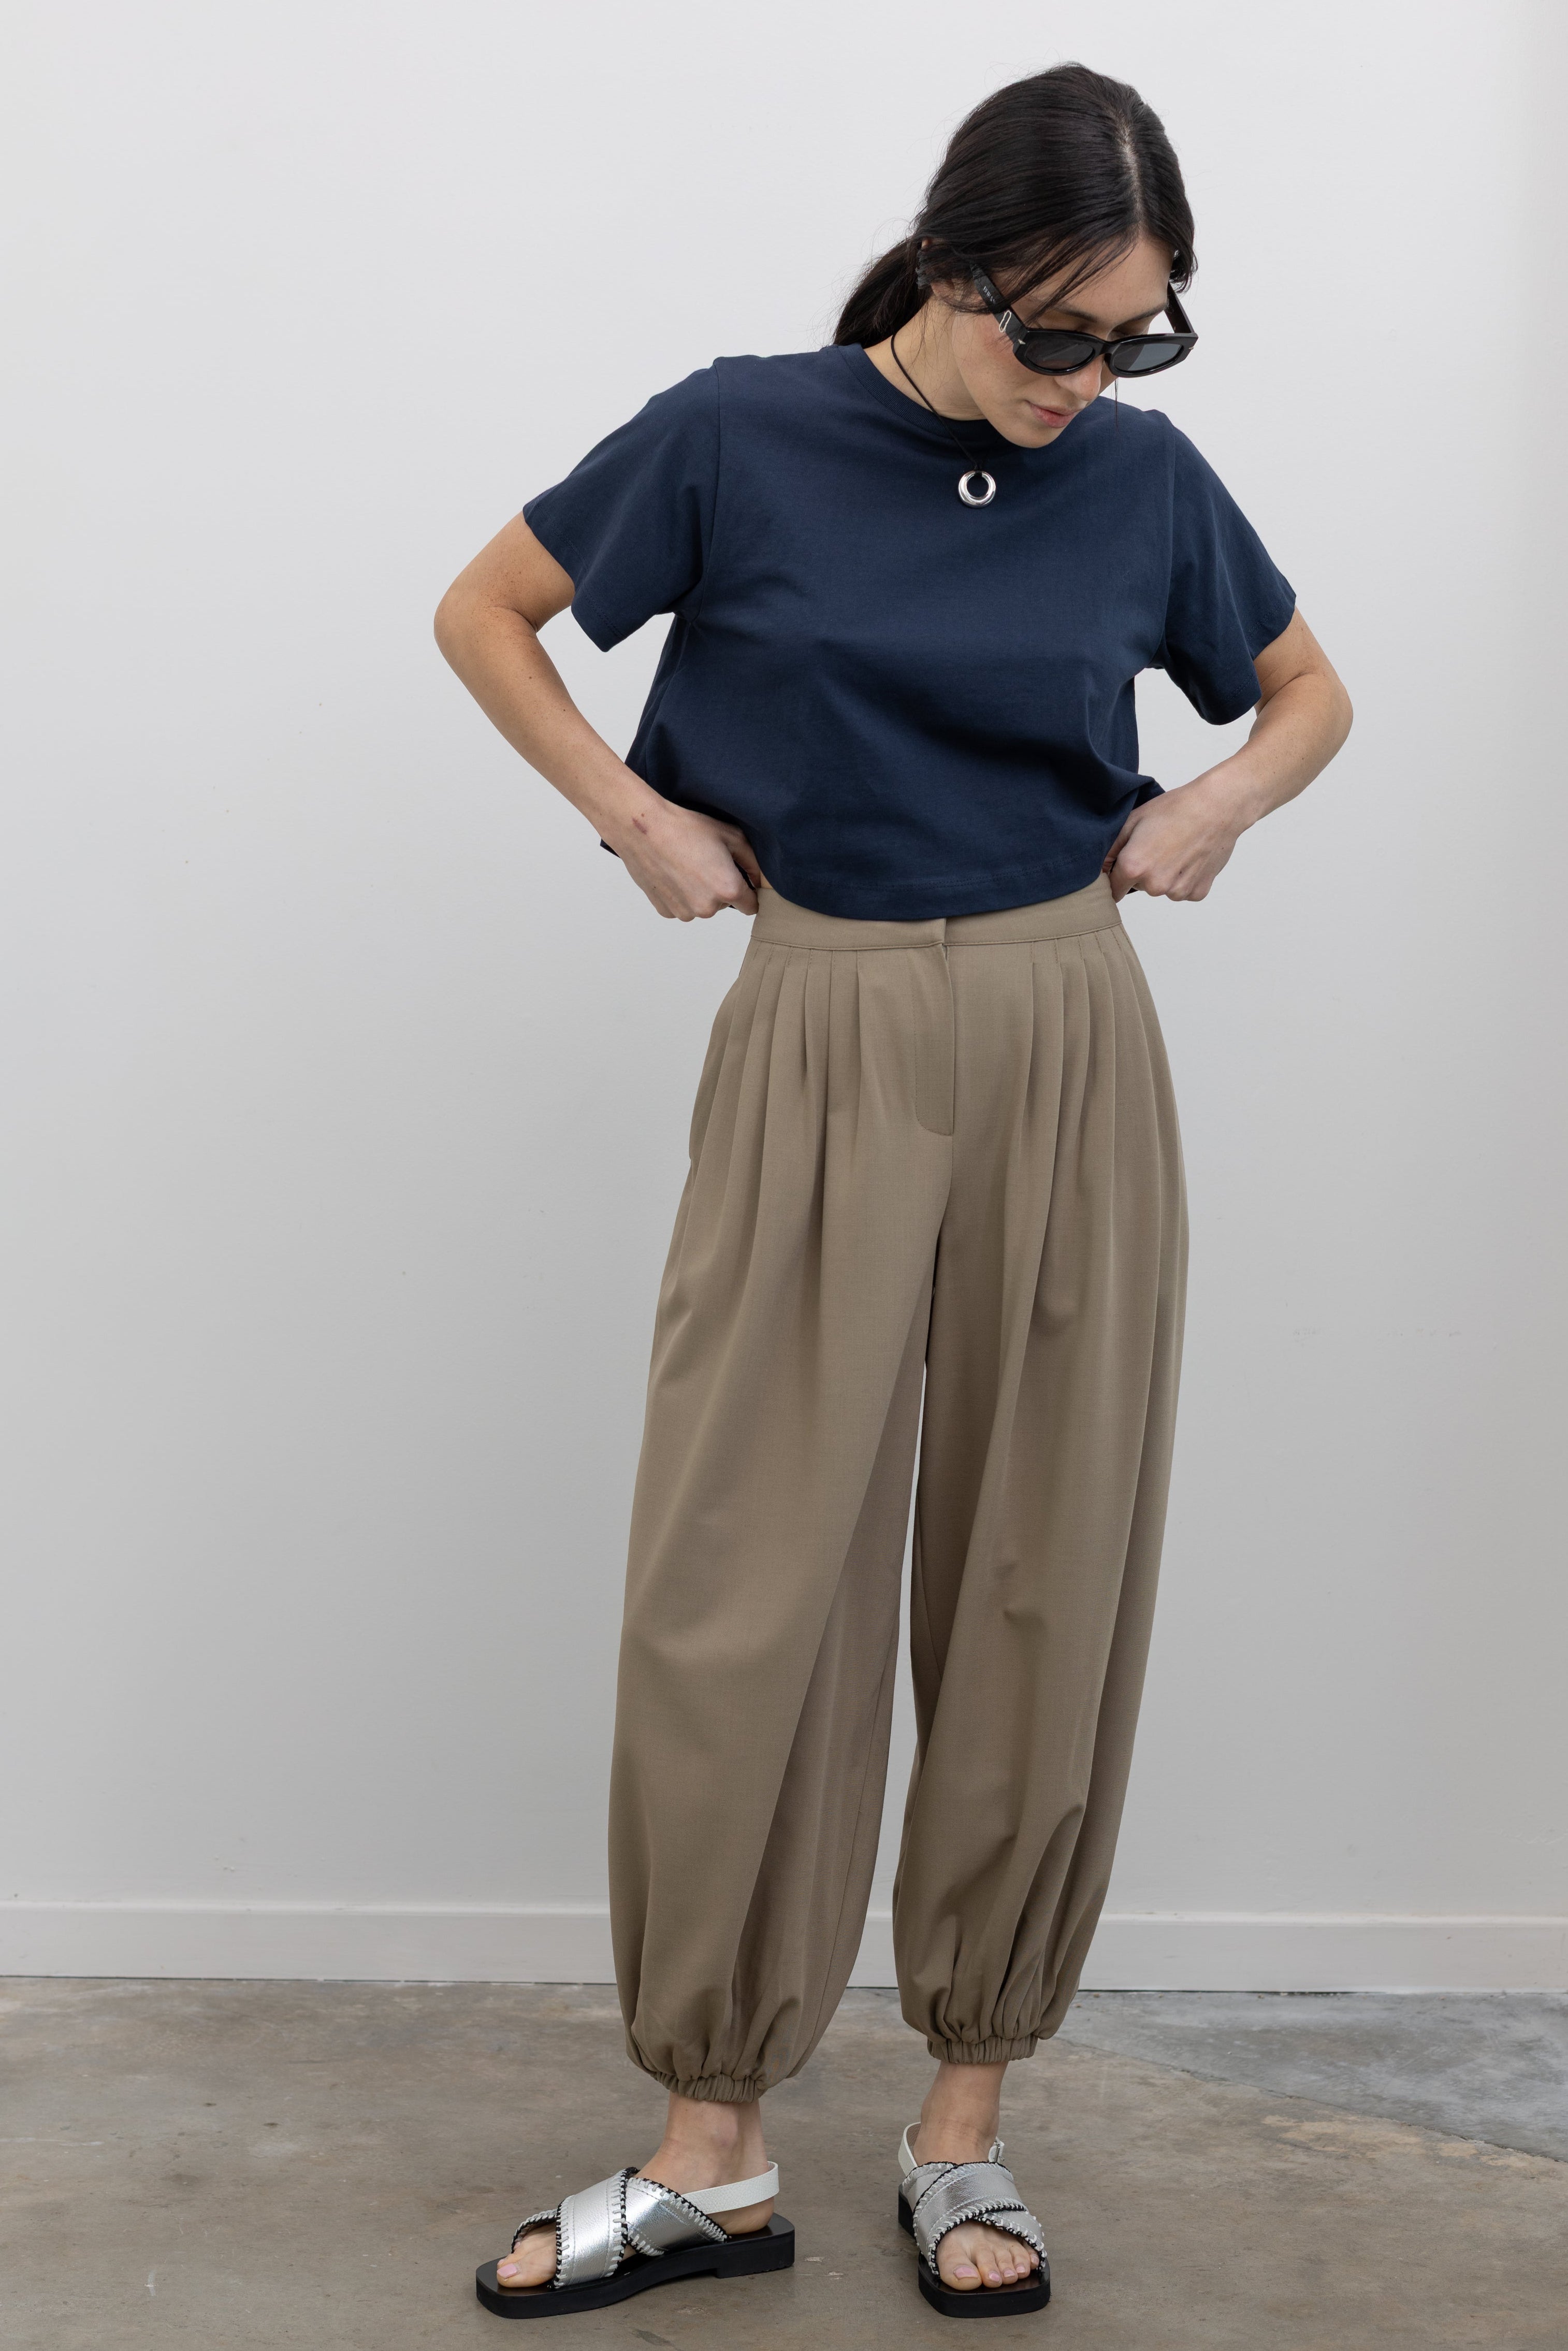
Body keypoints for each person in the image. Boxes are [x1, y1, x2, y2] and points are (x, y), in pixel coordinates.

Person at [437, 61, 1351, 2323]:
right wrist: (626, 814)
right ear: (950, 271)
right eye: (1055, 334)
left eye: (1132, 340)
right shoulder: (739, 436)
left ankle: (965, 2126)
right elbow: (486, 610)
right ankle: (712, 2143)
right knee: (746, 1577)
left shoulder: (1141, 478)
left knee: (1041, 1563)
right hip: (821, 1020)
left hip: (1065, 1027)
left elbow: (1313, 694)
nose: (1085, 386)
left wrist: (1217, 804)